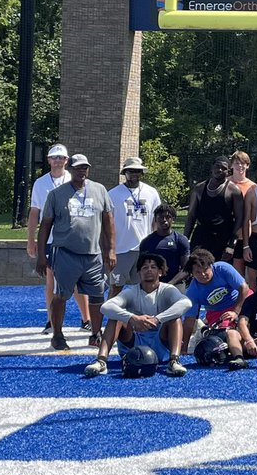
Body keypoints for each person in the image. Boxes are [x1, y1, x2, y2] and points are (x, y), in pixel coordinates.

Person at [35, 154, 115, 352]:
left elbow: (108, 221)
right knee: (61, 295)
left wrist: (110, 250)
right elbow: (45, 225)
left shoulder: (99, 190)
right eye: (78, 167)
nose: (82, 171)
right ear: (71, 169)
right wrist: (40, 254)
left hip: (93, 254)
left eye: (85, 168)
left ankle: (96, 333)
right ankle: (57, 335)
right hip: (65, 253)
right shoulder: (56, 194)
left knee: (97, 296)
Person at [85, 252, 190, 378]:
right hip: (133, 342)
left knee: (175, 318)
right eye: (145, 267)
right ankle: (101, 361)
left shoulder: (168, 290)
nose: (149, 270)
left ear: (160, 272)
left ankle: (174, 360)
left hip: (161, 342)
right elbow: (106, 307)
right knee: (115, 318)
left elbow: (186, 303)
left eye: (153, 267)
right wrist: (132, 318)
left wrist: (157, 319)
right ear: (139, 273)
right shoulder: (131, 292)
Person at [26, 143, 90, 334]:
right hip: (51, 239)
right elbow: (34, 212)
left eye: (61, 158)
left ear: (67, 161)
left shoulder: (75, 179)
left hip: (74, 238)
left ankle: (85, 319)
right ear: (48, 160)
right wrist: (31, 240)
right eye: (54, 157)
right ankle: (50, 320)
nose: (57, 161)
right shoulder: (40, 183)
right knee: (50, 281)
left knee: (78, 280)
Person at [182, 248, 252, 367]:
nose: (203, 274)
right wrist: (183, 349)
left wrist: (236, 312)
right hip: (217, 312)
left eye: (205, 270)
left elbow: (243, 288)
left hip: (242, 300)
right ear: (192, 274)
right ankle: (204, 331)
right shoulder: (192, 292)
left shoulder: (222, 268)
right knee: (223, 338)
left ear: (211, 265)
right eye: (198, 272)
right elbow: (189, 321)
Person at [106, 156, 162, 298]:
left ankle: (141, 318)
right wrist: (110, 249)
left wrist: (155, 243)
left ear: (142, 173)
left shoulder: (151, 193)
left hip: (144, 248)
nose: (134, 174)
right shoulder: (113, 194)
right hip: (121, 249)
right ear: (125, 173)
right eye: (130, 171)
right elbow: (107, 223)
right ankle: (113, 319)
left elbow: (156, 219)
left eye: (137, 171)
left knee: (145, 287)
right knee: (116, 287)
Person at [185, 157, 246, 264]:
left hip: (222, 238)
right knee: (196, 269)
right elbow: (191, 215)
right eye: (217, 166)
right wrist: (185, 240)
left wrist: (231, 244)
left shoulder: (234, 191)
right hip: (202, 236)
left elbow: (239, 218)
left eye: (224, 168)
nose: (220, 170)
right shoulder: (199, 188)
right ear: (212, 168)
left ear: (228, 172)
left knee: (218, 272)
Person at [139, 204, 191, 285]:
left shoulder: (180, 240)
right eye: (160, 217)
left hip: (175, 283)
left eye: (168, 217)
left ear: (173, 219)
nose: (164, 220)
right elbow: (142, 267)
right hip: (153, 284)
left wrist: (170, 284)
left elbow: (186, 269)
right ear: (155, 220)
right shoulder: (146, 242)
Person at [228, 150, 257, 274]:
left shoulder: (253, 186)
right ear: (231, 165)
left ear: (247, 165)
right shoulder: (225, 182)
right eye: (237, 163)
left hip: (243, 235)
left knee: (238, 271)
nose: (240, 166)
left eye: (243, 163)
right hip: (226, 232)